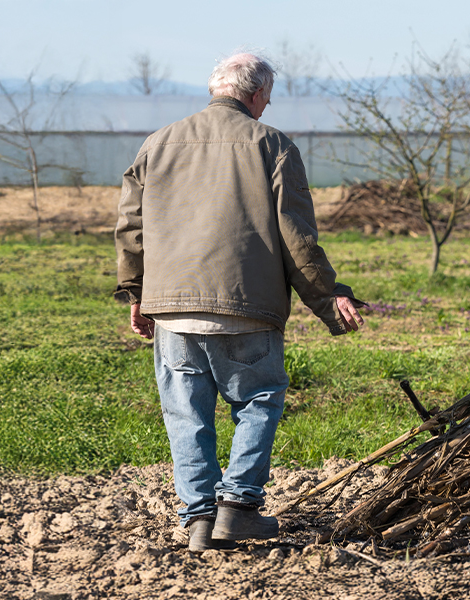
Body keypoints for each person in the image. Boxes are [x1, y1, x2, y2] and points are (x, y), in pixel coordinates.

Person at [113, 52, 363, 551]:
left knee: (186, 415)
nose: (266, 106)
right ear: (254, 94)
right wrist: (329, 297)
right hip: (246, 306)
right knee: (260, 400)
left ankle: (200, 520)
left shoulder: (157, 143)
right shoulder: (273, 145)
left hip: (174, 310)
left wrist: (137, 294)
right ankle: (239, 507)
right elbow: (297, 237)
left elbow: (131, 229)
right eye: (267, 98)